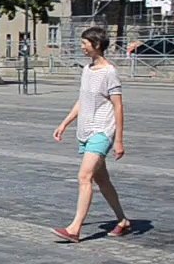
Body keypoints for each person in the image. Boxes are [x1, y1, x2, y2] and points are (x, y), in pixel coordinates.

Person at [52, 27, 132, 242]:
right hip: (85, 131)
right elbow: (83, 100)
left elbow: (118, 107)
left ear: (96, 45)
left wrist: (119, 140)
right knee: (102, 180)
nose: (82, 46)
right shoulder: (87, 70)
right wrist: (65, 123)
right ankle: (122, 220)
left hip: (102, 132)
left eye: (85, 43)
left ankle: (74, 228)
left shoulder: (109, 72)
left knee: (84, 177)